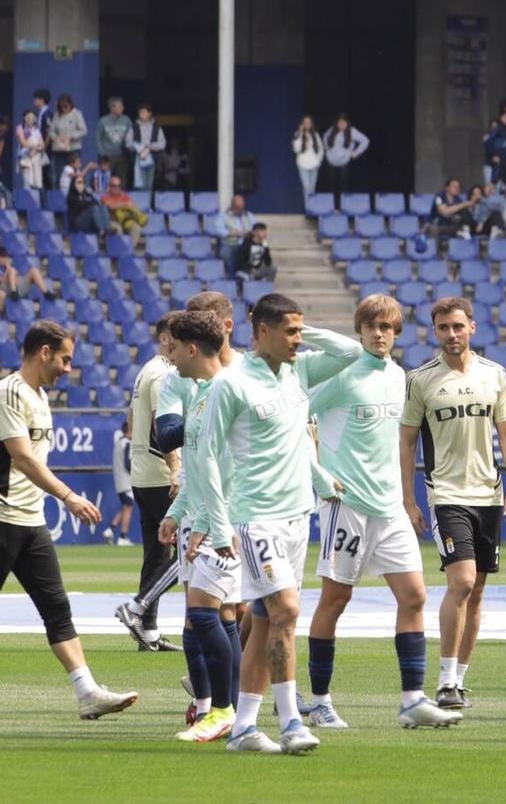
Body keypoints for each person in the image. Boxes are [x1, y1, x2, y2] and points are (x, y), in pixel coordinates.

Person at [0, 322, 135, 723]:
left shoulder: (40, 396)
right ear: (44, 352)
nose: (68, 368)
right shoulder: (8, 392)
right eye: (65, 358)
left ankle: (87, 692)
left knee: (57, 608)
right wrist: (70, 497)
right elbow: (21, 457)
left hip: (31, 519)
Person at [295, 298, 466, 731]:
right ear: (360, 329)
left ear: (397, 332)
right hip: (347, 505)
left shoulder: (400, 377)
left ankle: (411, 701)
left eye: (387, 327)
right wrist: (318, 476)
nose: (379, 334)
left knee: (414, 596)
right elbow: (295, 421)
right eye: (372, 326)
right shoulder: (341, 374)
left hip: (389, 508)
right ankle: (319, 701)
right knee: (336, 599)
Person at [194, 293, 334, 755]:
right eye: (290, 331)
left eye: (301, 330)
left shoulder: (297, 373)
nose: (299, 340)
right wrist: (218, 526)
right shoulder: (231, 385)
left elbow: (355, 352)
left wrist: (299, 330)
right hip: (257, 519)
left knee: (264, 618)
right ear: (261, 332)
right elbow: (208, 457)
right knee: (288, 612)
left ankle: (244, 728)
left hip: (298, 516)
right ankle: (292, 720)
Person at [400, 296, 506, 712]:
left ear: (472, 326)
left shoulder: (495, 374)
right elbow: (407, 439)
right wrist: (409, 498)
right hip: (447, 495)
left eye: (457, 326)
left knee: (478, 591)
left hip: (488, 494)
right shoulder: (420, 380)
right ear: (434, 332)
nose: (451, 335)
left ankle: (459, 681)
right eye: (442, 329)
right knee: (463, 582)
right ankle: (444, 679)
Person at [158, 309, 242, 743]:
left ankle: (226, 710)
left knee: (206, 615)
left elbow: (224, 472)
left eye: (172, 348)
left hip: (223, 521)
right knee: (214, 614)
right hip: (204, 518)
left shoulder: (225, 392)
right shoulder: (204, 393)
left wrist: (209, 524)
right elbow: (197, 464)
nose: (168, 357)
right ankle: (231, 711)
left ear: (192, 348)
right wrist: (177, 513)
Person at [114, 328, 180, 653]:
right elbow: (161, 424)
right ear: (167, 337)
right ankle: (139, 609)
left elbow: (130, 421)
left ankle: (149, 631)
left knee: (157, 553)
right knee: (187, 554)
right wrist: (177, 468)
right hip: (161, 474)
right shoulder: (163, 375)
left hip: (142, 475)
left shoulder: (145, 372)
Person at [322, 113, 369, 195]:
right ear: (336, 123)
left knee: (342, 185)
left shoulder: (352, 131)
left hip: (344, 162)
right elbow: (325, 136)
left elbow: (365, 140)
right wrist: (326, 150)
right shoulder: (332, 129)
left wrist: (356, 153)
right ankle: (332, 205)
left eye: (344, 122)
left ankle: (343, 206)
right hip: (331, 161)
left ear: (347, 123)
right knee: (331, 185)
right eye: (339, 122)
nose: (342, 125)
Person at [46, 95, 86, 187]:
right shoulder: (57, 114)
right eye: (62, 107)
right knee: (59, 174)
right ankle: (58, 196)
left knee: (74, 174)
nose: (64, 109)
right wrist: (56, 137)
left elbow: (83, 130)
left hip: (73, 149)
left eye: (66, 106)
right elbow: (51, 130)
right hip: (59, 149)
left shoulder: (76, 113)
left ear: (70, 105)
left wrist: (71, 137)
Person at [482, 101, 506, 188]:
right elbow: (487, 142)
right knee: (493, 190)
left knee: (504, 190)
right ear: (502, 118)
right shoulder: (497, 129)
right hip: (495, 167)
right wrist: (493, 155)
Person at [290, 115, 323, 206]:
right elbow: (296, 149)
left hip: (314, 164)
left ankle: (311, 207)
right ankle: (308, 207)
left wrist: (319, 160)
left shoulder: (315, 134)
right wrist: (301, 134)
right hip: (303, 164)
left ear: (311, 124)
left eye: (309, 122)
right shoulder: (298, 134)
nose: (307, 124)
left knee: (312, 187)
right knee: (306, 187)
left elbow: (320, 149)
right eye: (305, 123)